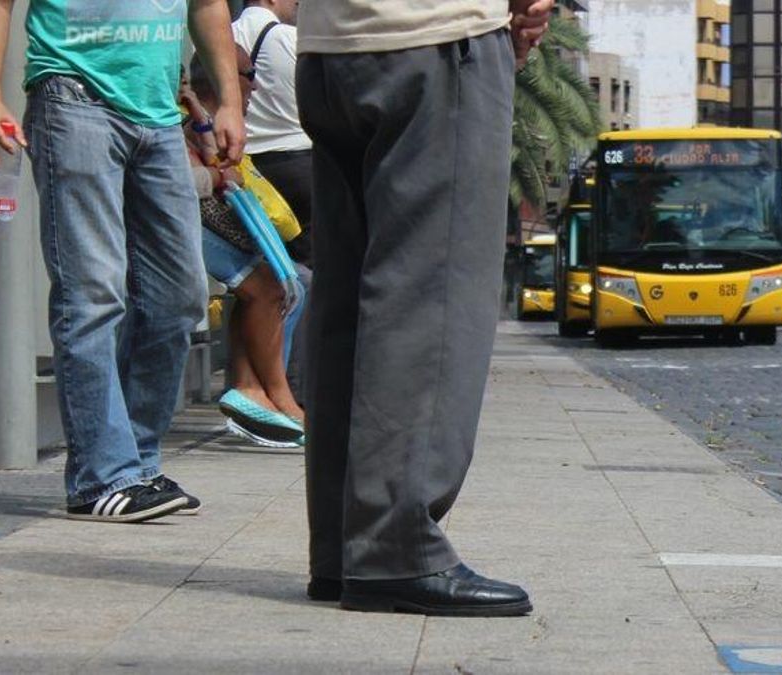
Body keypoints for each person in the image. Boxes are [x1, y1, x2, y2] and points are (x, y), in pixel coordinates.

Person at [296, 0, 553, 616]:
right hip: (435, 37)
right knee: (430, 292)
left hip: (329, 48)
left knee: (348, 304)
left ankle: (344, 550)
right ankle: (394, 548)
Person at [0, 0, 245, 522]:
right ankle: (103, 475)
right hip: (74, 99)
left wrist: (229, 103)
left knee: (181, 296)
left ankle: (136, 465)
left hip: (160, 115)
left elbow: (208, 6)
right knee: (91, 292)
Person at [182, 49, 306, 447]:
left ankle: (254, 388)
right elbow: (176, 179)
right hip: (183, 221)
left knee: (278, 283)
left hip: (196, 219)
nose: (255, 82)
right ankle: (274, 393)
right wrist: (217, 177)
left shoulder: (203, 117)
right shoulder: (177, 117)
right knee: (270, 286)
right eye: (247, 73)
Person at [232, 0, 314, 409]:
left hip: (249, 171)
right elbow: (315, 105)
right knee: (304, 279)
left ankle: (255, 385)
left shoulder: (226, 36)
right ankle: (291, 388)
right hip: (297, 165)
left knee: (260, 273)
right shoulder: (286, 39)